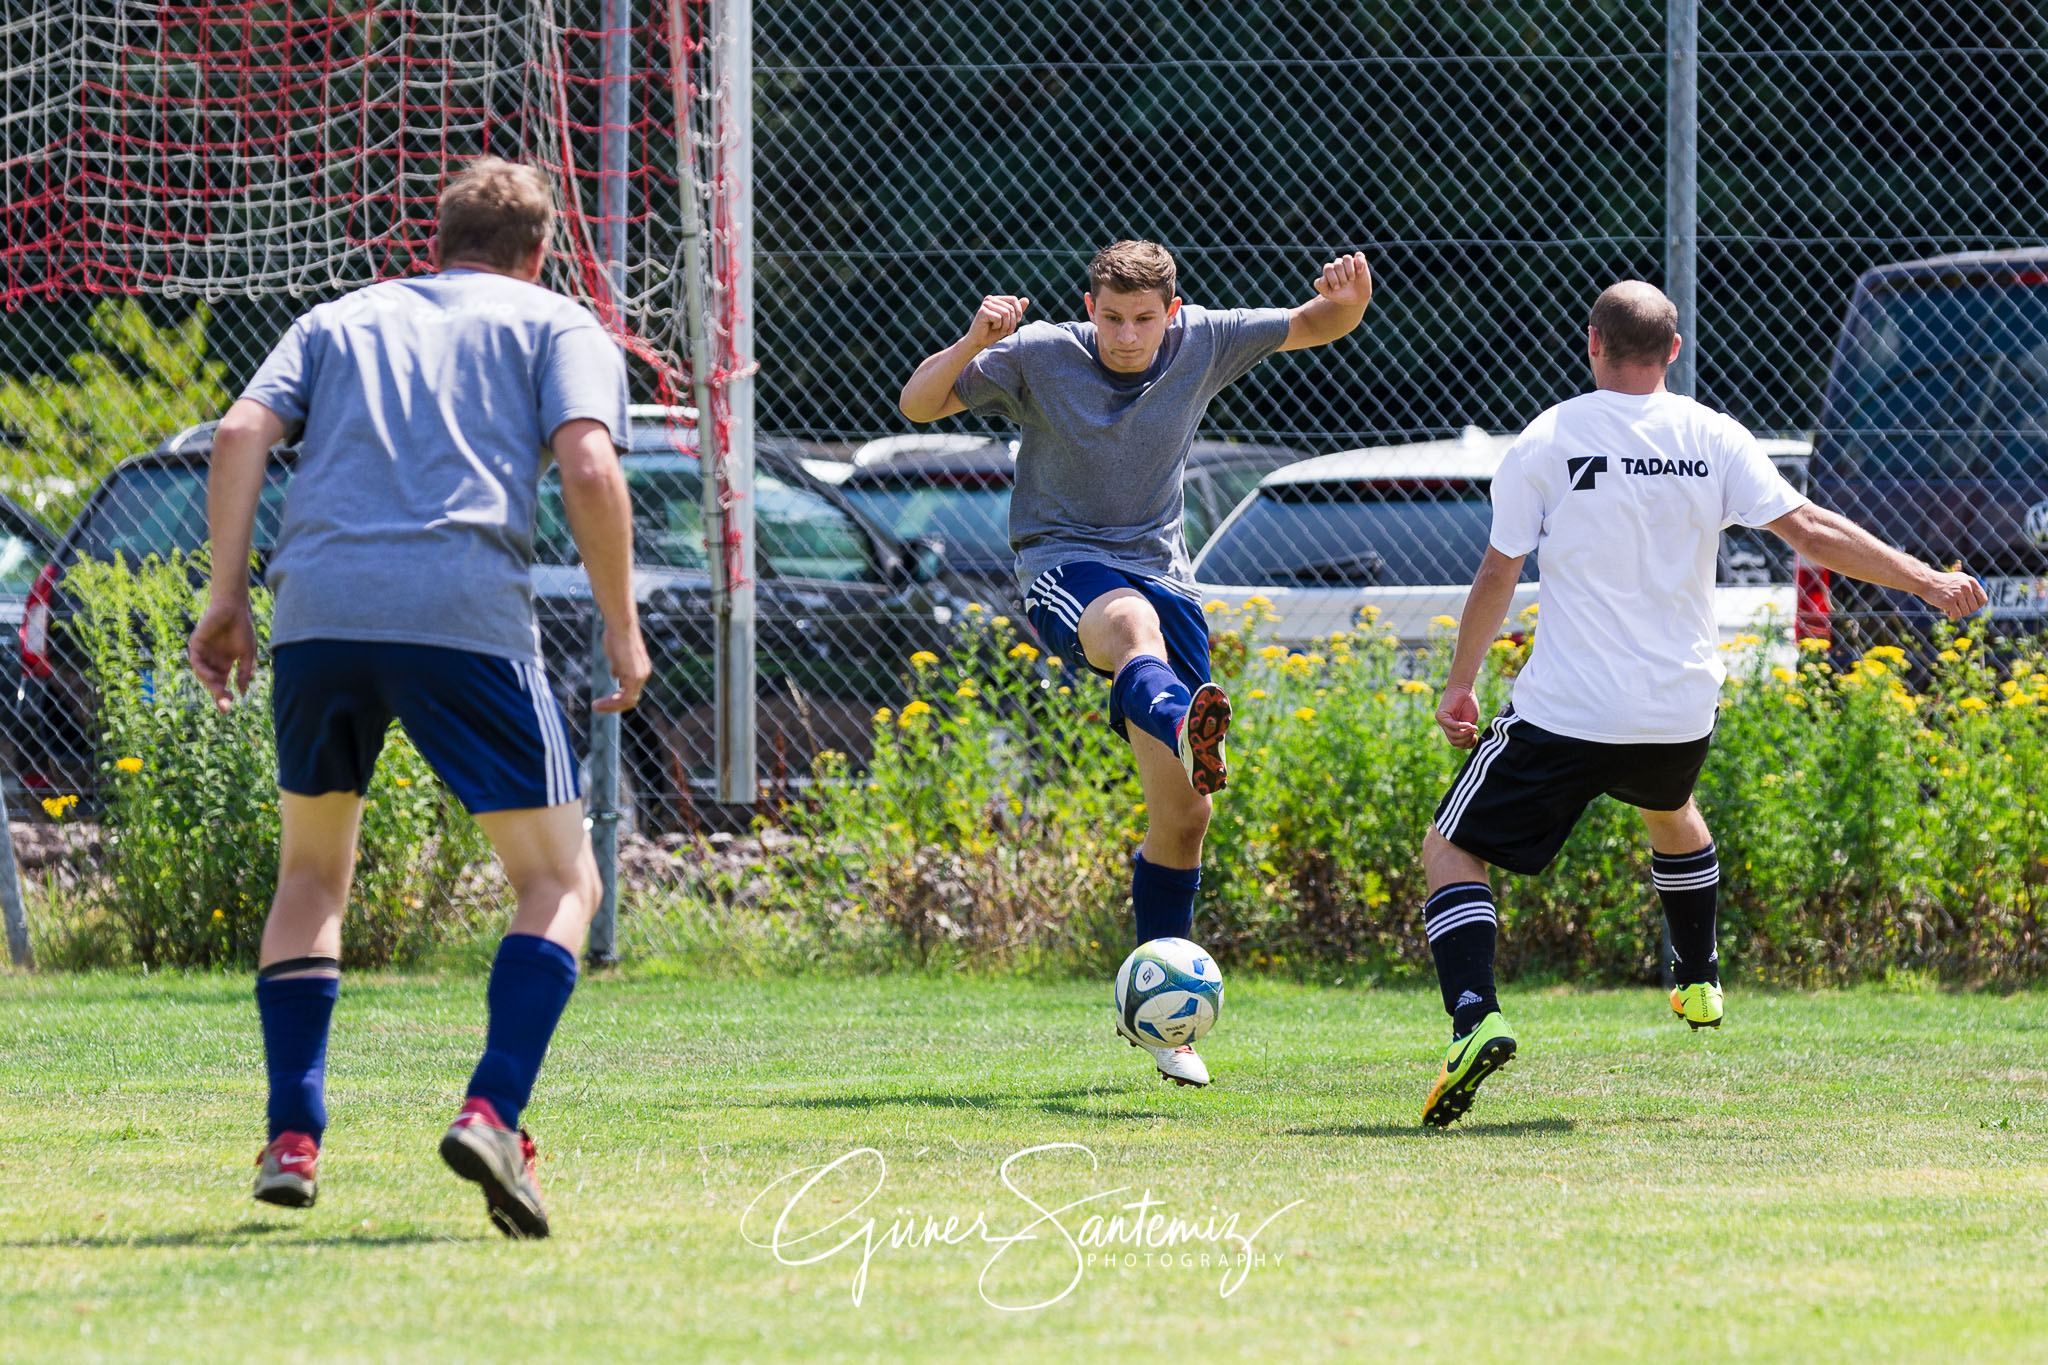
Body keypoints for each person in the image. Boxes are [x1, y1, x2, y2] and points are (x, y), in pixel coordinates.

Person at [187, 156, 651, 1235]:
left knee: (311, 870)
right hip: (461, 612)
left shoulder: (338, 318)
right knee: (559, 880)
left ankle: (292, 1135)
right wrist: (620, 624)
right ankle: (492, 1112)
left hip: (316, 614)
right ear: (540, 252)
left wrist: (225, 598)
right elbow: (588, 466)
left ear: (436, 238)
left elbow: (239, 432)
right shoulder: (554, 322)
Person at [1415, 280, 1986, 1128]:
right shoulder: (1713, 436)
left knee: (1450, 847)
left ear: (1591, 344)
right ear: (1673, 351)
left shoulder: (1549, 437)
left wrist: (1460, 683)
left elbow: (1499, 573)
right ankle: (1697, 975)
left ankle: (1474, 1019)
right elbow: (1813, 530)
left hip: (1568, 709)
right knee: (1670, 804)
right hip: (1681, 709)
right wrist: (1927, 577)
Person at [898, 239, 1373, 1087]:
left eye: (1143, 320)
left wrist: (1348, 294)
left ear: (1173, 315)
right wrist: (975, 339)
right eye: (1111, 317)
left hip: (1166, 571)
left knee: (1187, 819)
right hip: (1062, 564)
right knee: (1130, 627)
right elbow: (919, 403)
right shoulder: (1040, 352)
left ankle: (1167, 1021)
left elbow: (1321, 322)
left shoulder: (1206, 341)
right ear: (1089, 308)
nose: (1125, 335)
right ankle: (1177, 714)